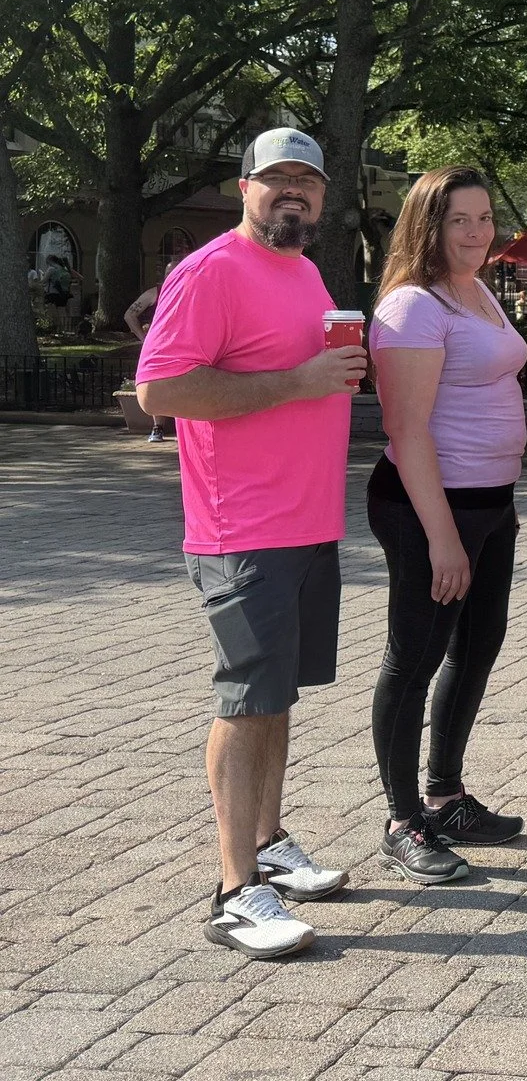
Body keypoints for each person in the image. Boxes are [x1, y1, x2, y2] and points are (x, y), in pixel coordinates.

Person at [134, 128, 359, 959]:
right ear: (244, 189)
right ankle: (235, 891)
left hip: (307, 521)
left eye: (307, 179)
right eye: (276, 180)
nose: (292, 192)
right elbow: (160, 386)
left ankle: (268, 843)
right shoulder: (211, 270)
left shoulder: (302, 270)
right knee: (246, 696)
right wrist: (295, 384)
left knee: (278, 694)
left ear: (324, 197)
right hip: (244, 528)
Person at [366, 167, 527, 885]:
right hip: (429, 507)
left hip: (491, 503)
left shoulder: (478, 289)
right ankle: (403, 821)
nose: (475, 232)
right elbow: (406, 432)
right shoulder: (412, 307)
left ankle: (446, 794)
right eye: (458, 220)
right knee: (414, 658)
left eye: (484, 218)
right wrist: (440, 538)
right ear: (426, 226)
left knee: (478, 645)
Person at [126, 262, 183, 442]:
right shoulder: (155, 293)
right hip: (160, 346)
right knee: (158, 384)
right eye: (169, 273)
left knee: (187, 384)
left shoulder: (193, 290)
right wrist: (144, 339)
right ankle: (157, 427)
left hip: (186, 345)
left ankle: (186, 428)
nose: (172, 276)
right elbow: (129, 315)